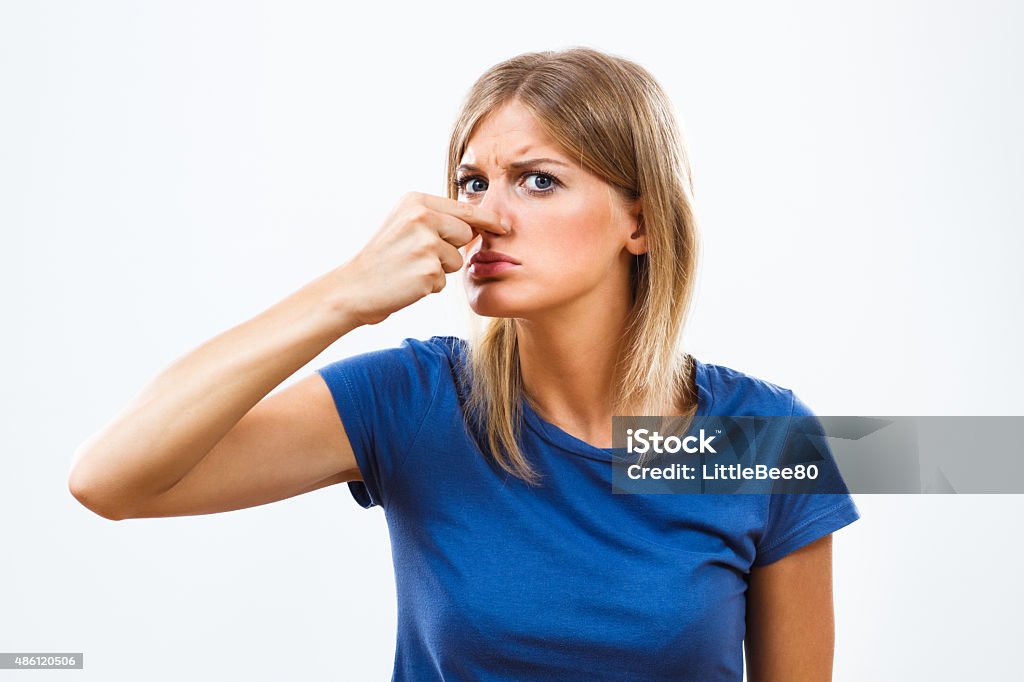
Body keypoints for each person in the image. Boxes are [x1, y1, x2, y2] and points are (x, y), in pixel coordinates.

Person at [69, 46, 860, 681]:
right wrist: (346, 295)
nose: (486, 215)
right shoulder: (414, 400)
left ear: (641, 224)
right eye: (472, 181)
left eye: (537, 180)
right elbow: (112, 479)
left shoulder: (763, 437)